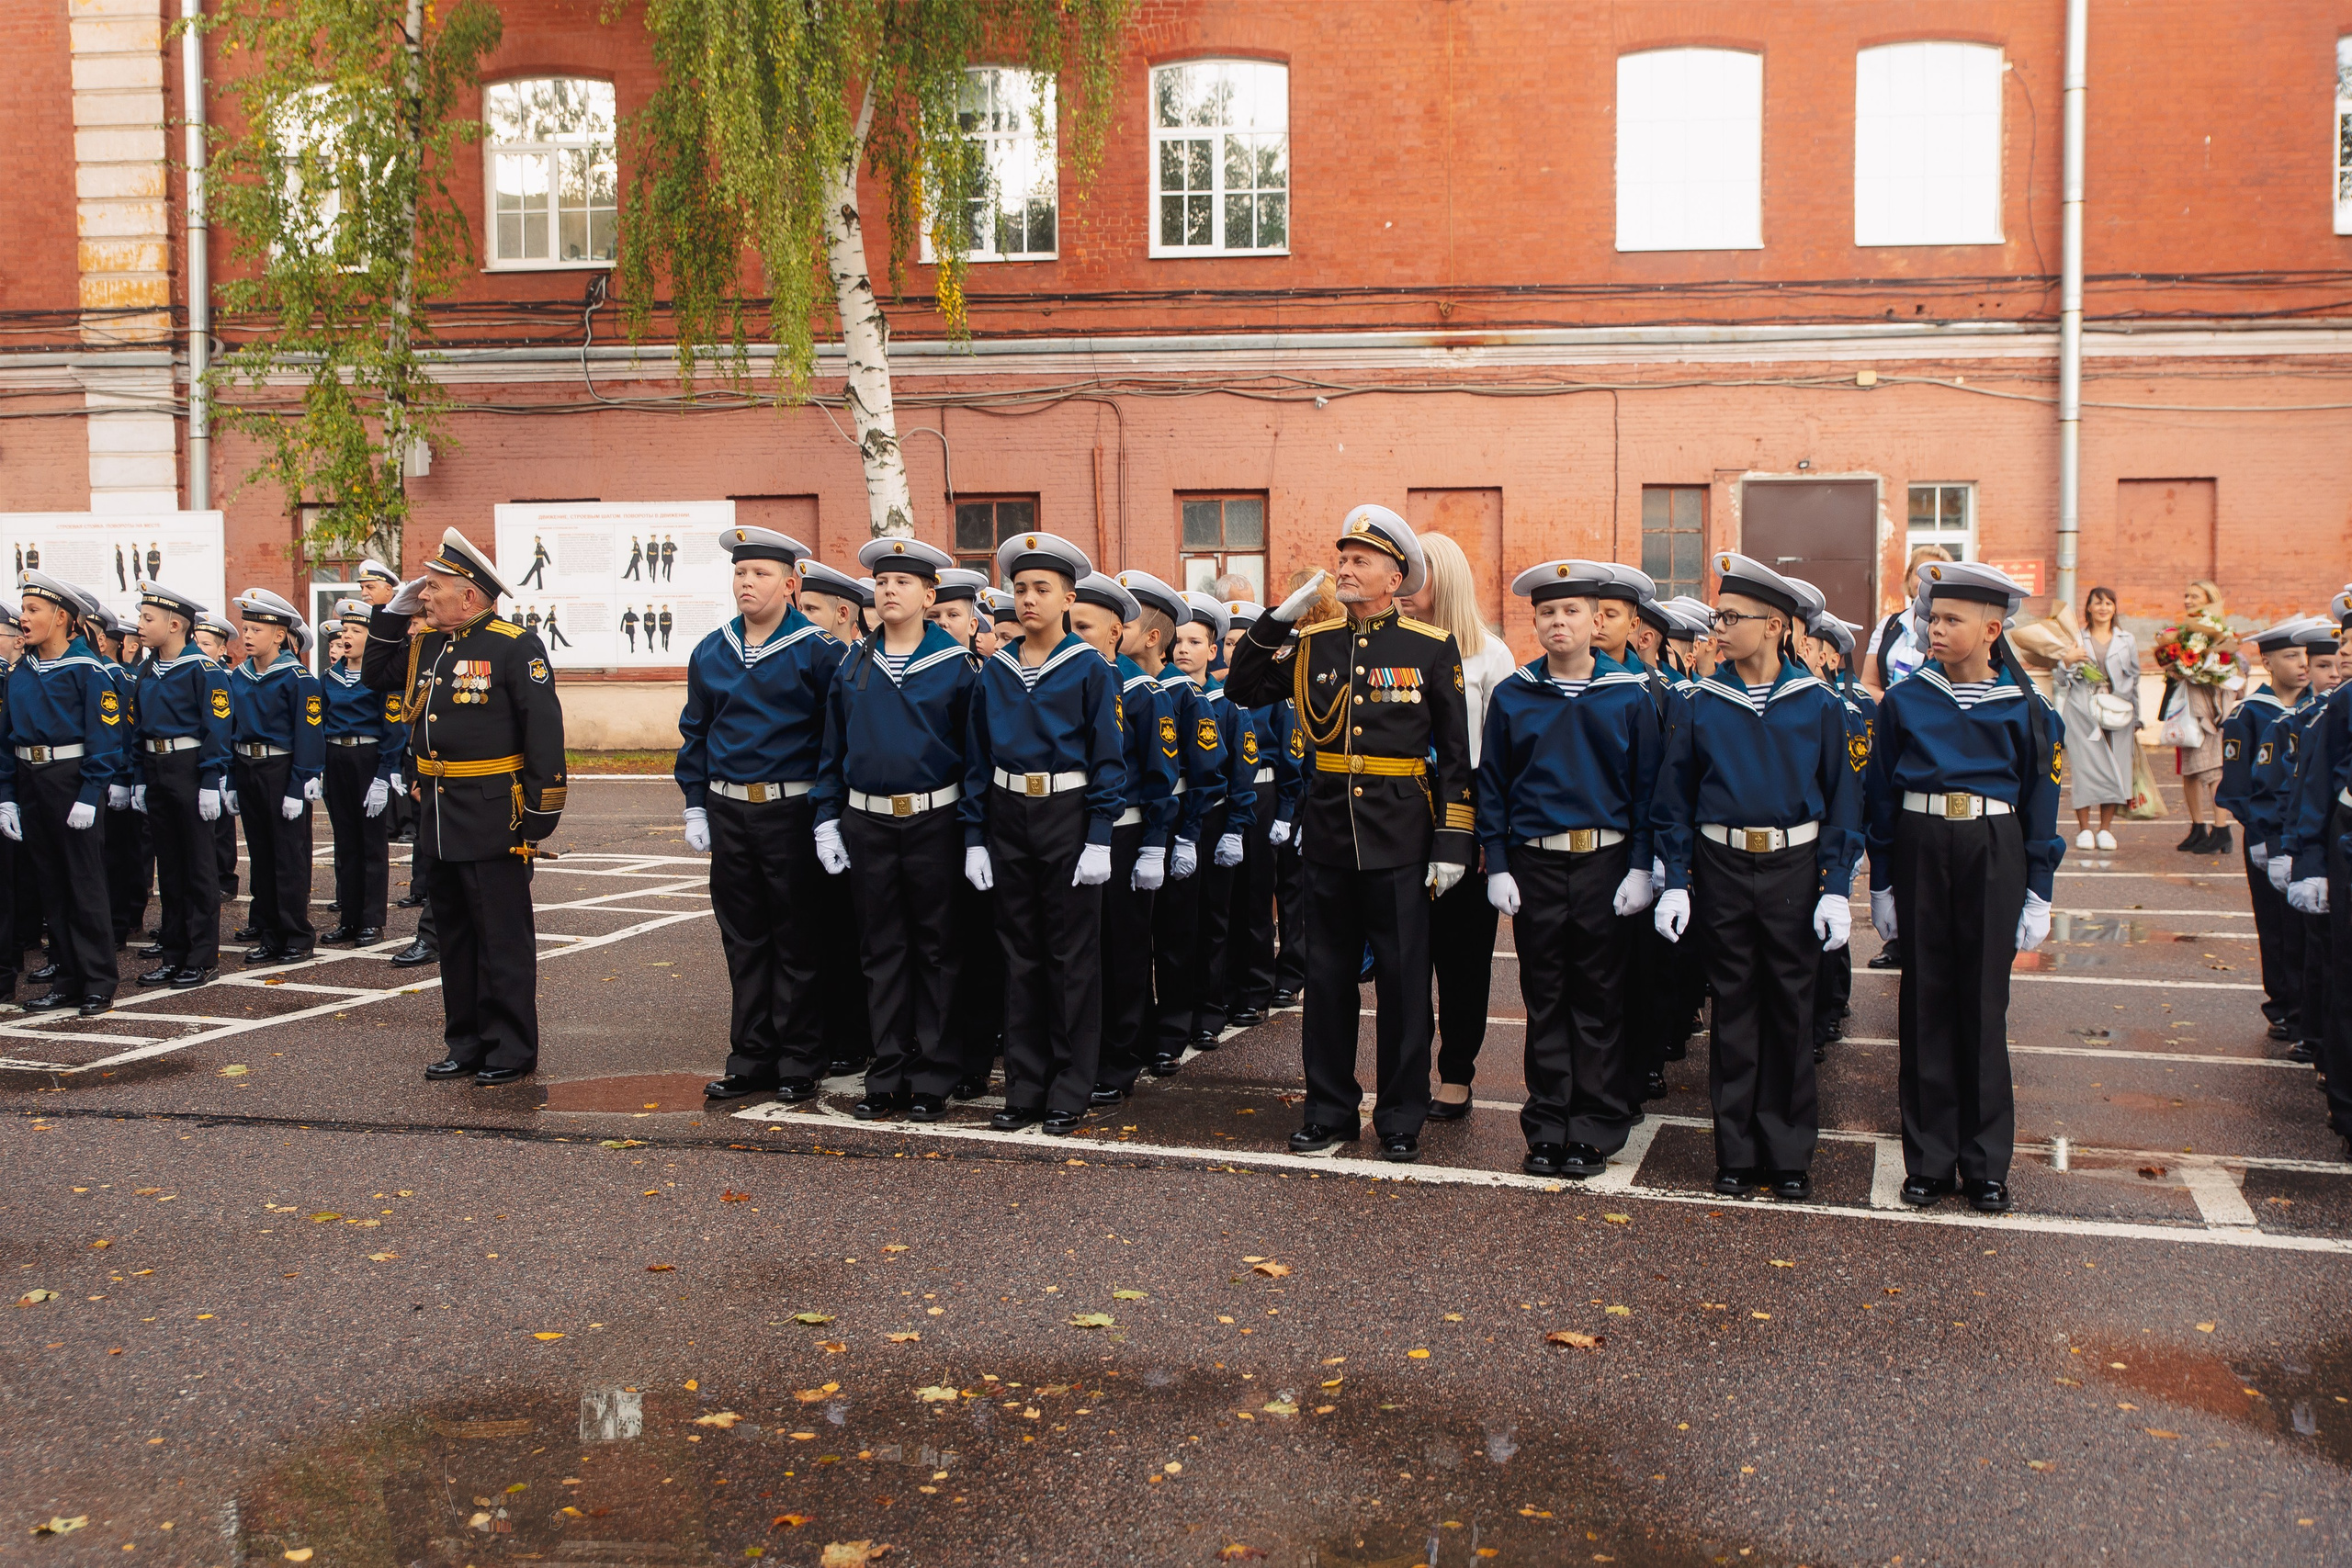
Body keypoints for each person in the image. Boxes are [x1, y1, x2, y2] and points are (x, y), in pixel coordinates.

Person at [1225, 504, 1475, 1164]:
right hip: (1330, 833)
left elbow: (1455, 755)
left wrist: (1452, 842)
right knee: (1327, 977)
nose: (1345, 569)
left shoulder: (1429, 646)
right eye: (1342, 558)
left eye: (1361, 560)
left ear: (1396, 576)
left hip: (1400, 834)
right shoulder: (1313, 643)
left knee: (1402, 981)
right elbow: (1242, 687)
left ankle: (1399, 1115)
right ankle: (1329, 1108)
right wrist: (1278, 617)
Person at [1651, 557, 1860, 1201]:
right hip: (1721, 865)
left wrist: (1834, 885)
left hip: (1792, 867)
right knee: (1735, 1009)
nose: (1718, 628)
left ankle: (1789, 1150)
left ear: (1774, 625)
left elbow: (1842, 801)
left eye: (1731, 617)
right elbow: (1675, 796)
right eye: (1718, 616)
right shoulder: (1700, 703)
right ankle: (1736, 1151)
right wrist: (1678, 877)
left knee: (1790, 1011)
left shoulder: (1818, 706)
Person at [1863, 559, 2064, 1213]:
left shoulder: (2027, 707)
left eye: (1951, 619)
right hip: (1923, 845)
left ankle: (1983, 1163)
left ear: (1991, 628)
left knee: (1982, 1005)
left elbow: (2041, 801)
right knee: (1924, 1004)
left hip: (1992, 848)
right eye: (1932, 617)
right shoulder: (1909, 699)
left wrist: (2039, 889)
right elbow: (1882, 794)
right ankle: (1928, 1158)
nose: (1934, 628)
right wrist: (1884, 882)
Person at [364, 530, 566, 1085]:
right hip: (438, 810)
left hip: (493, 810)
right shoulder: (428, 643)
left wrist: (541, 808)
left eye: (433, 588)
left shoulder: (513, 645)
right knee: (453, 935)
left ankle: (511, 1048)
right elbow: (375, 677)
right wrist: (390, 613)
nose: (424, 597)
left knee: (501, 938)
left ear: (470, 596)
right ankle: (467, 1042)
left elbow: (543, 730)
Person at [1480, 561, 1661, 1178]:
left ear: (1596, 621)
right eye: (1548, 612)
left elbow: (1646, 791)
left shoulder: (1627, 695)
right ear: (1535, 620)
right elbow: (1495, 788)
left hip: (1605, 863)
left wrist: (1643, 867)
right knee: (1546, 994)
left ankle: (1594, 1125)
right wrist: (1498, 864)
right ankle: (1548, 1122)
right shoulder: (1513, 694)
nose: (1559, 621)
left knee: (1600, 998)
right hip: (1535, 862)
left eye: (1573, 611)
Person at [810, 537, 981, 1122]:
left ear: (929, 595)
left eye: (903, 583)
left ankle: (934, 1072)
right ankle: (886, 1072)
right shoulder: (853, 663)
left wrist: (973, 832)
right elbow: (832, 749)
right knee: (881, 951)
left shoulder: (957, 667)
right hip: (868, 822)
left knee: (938, 950)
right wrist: (826, 818)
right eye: (881, 583)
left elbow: (973, 757)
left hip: (934, 821)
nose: (888, 591)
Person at [962, 531, 1124, 1134]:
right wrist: (975, 834)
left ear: (1067, 597)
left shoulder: (1089, 668)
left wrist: (1101, 833)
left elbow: (1109, 755)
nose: (1028, 600)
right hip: (1008, 814)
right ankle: (1024, 1086)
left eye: (1042, 589)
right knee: (1020, 953)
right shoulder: (995, 670)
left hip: (1067, 813)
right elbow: (978, 757)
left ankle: (1069, 1085)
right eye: (1020, 589)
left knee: (1071, 955)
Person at [675, 526, 842, 1103]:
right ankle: (751, 1056)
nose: (747, 583)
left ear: (791, 584)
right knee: (743, 939)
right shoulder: (712, 650)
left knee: (797, 938)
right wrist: (695, 803)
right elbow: (695, 732)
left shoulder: (819, 652)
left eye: (761, 574)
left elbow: (832, 742)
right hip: (729, 812)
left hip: (791, 811)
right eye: (741, 573)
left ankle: (800, 1058)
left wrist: (826, 815)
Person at [1397, 532, 1520, 1122]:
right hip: (1399, 816)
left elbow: (1499, 758)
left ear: (1441, 579)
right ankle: (1408, 1070)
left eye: (1412, 575)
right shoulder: (1388, 650)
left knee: (1463, 956)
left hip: (1462, 809)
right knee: (1405, 955)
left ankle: (1457, 1072)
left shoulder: (1490, 656)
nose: (1399, 587)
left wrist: (1487, 838)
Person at [0, 571, 127, 1013]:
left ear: (61, 618)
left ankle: (96, 981)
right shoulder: (21, 671)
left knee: (84, 883)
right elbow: (7, 738)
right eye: (24, 609)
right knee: (51, 885)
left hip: (71, 779)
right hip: (31, 780)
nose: (23, 618)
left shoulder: (88, 670)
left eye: (33, 610)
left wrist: (91, 792)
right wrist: (7, 795)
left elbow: (106, 739)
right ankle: (67, 977)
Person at [1076, 570, 1174, 1105]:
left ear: (1116, 633)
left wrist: (1158, 840)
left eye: (1085, 628)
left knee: (1125, 952)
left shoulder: (1140, 691)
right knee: (1081, 954)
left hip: (1126, 833)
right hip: (1076, 831)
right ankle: (1085, 1055)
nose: (1074, 638)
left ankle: (1121, 1056)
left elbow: (1159, 774)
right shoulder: (1067, 678)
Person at [1154, 592, 1248, 1056]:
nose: (1183, 649)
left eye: (1195, 641)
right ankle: (1171, 1014)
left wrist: (1234, 825)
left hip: (1208, 818)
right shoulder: (1164, 688)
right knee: (1175, 925)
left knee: (1211, 919)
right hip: (1172, 815)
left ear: (1214, 650)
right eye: (1179, 641)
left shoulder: (1223, 699)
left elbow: (1228, 769)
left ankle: (1208, 1012)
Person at [128, 581, 230, 987]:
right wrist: (138, 777)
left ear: (174, 625)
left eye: (147, 619)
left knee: (199, 867)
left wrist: (210, 778)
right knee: (169, 866)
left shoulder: (202, 669)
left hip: (189, 767)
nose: (139, 625)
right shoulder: (147, 668)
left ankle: (201, 956)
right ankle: (173, 953)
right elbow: (137, 727)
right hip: (155, 766)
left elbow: (217, 727)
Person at [2218, 618, 2313, 1045]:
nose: (2302, 664)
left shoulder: (2319, 708)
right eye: (2291, 656)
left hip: (2307, 835)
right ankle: (2283, 1006)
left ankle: (2308, 1009)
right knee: (2276, 926)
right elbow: (2238, 785)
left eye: (2306, 656)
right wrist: (2259, 837)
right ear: (2267, 661)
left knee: (2309, 929)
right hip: (2268, 835)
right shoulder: (2249, 713)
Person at [926, 567, 1001, 1091]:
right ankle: (935, 1049)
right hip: (935, 824)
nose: (945, 623)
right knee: (935, 945)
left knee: (977, 947)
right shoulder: (921, 669)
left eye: (954, 614)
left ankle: (974, 1055)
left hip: (979, 823)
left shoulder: (981, 674)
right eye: (938, 615)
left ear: (974, 622)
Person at [2256, 615, 2340, 1060]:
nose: (2334, 670)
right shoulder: (2300, 721)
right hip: (2315, 849)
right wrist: (2279, 847)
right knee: (2306, 944)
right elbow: (2280, 788)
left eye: (2337, 661)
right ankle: (2306, 1026)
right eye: (2325, 664)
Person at [227, 590, 324, 966]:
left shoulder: (298, 678)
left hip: (281, 770)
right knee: (262, 856)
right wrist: (232, 781)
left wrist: (300, 783)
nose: (247, 635)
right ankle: (270, 934)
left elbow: (308, 732)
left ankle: (296, 935)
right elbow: (232, 728)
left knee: (289, 856)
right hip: (248, 768)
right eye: (245, 628)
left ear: (280, 635)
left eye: (256, 629)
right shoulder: (239, 676)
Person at [1216, 599, 1296, 1031]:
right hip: (1228, 791)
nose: (1231, 650)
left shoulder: (1273, 692)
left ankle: (1257, 988)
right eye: (1227, 643)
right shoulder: (1219, 690)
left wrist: (1285, 809)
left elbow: (1290, 752)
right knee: (1226, 896)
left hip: (1263, 790)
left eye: (1239, 642)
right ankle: (1228, 989)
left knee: (1256, 894)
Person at [1801, 609, 1874, 1063]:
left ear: (1829, 654)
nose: (1802, 651)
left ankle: (1830, 1005)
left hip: (1842, 823)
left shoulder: (1854, 702)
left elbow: (1862, 771)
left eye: (1809, 646)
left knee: (1832, 920)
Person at [319, 599, 401, 946]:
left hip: (368, 757)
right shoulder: (330, 677)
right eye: (345, 630)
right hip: (336, 756)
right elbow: (319, 721)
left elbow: (394, 728)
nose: (347, 636)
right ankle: (349, 918)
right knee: (345, 842)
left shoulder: (382, 677)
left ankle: (371, 919)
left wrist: (385, 773)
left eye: (356, 630)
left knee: (371, 843)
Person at [2048, 585, 2140, 852]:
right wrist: (2067, 660)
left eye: (2108, 603)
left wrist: (2138, 718)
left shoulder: (2127, 640)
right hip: (2083, 712)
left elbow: (2134, 680)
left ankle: (2106, 829)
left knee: (2116, 769)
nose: (2103, 608)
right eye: (2097, 603)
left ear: (2114, 608)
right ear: (2088, 607)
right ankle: (2084, 828)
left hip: (2118, 712)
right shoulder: (2076, 638)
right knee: (2085, 770)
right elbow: (2060, 679)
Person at [2165, 579, 2237, 853]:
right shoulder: (2185, 631)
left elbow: (2231, 666)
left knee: (2212, 769)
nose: (2187, 600)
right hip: (2186, 707)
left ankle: (2221, 829)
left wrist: (2201, 668)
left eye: (2194, 595)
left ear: (2210, 599)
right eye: (2186, 595)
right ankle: (2197, 828)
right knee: (2190, 770)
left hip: (2208, 707)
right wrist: (2175, 665)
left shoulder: (2218, 630)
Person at [191, 614, 243, 906]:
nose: (200, 648)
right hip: (197, 758)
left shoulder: (225, 677)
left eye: (207, 644)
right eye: (196, 642)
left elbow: (228, 724)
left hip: (223, 758)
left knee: (221, 826)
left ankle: (224, 878)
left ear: (221, 650)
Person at [1863, 544, 1956, 699]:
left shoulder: (1952, 627)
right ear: (1908, 577)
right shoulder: (1888, 624)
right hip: (1887, 714)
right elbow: (1868, 683)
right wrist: (1894, 706)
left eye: (1935, 574)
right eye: (1919, 573)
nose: (1925, 581)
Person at [799, 561, 867, 649]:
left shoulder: (863, 662)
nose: (801, 616)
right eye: (801, 608)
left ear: (842, 614)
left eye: (810, 609)